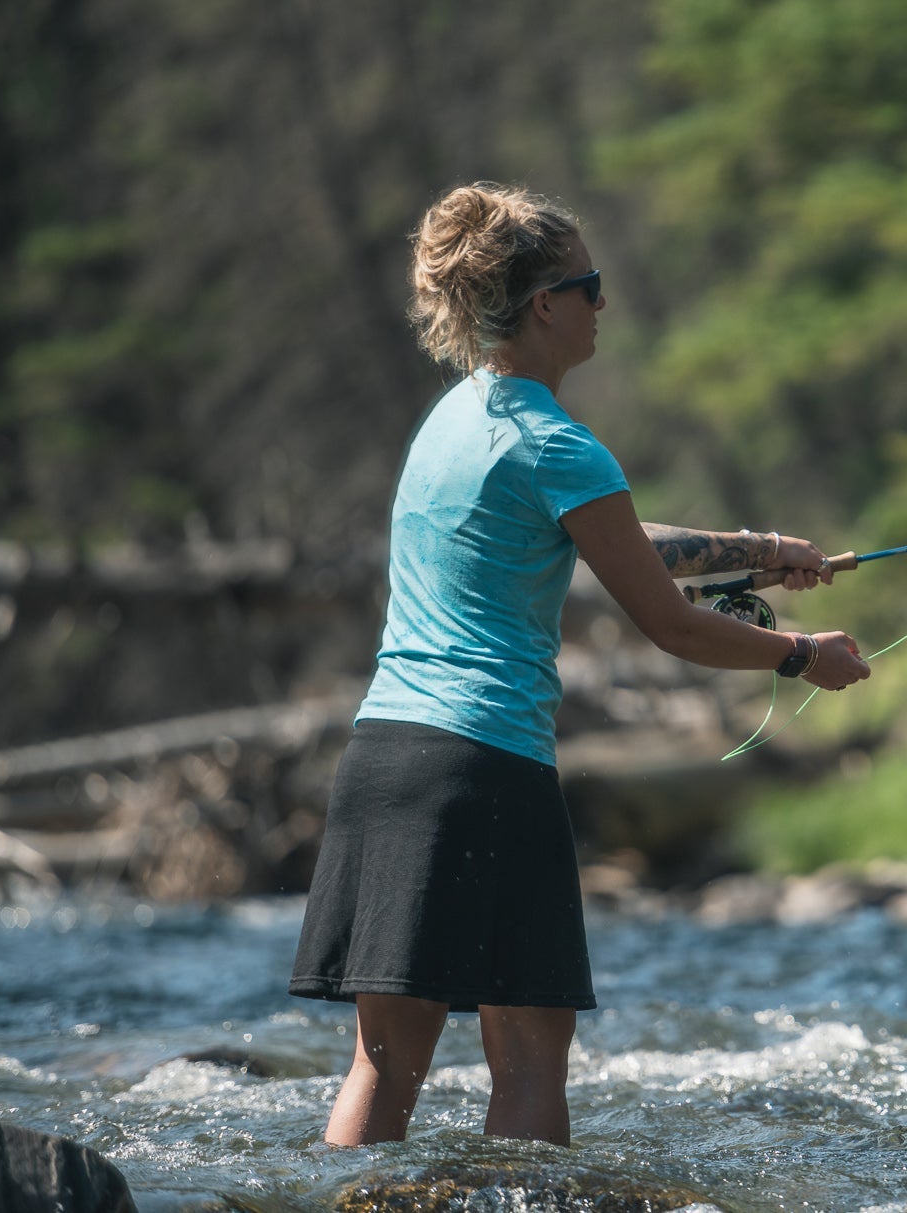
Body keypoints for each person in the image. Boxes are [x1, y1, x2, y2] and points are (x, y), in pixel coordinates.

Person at [288, 182, 869, 1147]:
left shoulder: (456, 420)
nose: (604, 302)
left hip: (383, 762)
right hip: (483, 771)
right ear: (544, 305)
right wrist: (799, 654)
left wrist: (757, 548)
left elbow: (617, 538)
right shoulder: (558, 440)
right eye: (589, 285)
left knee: (382, 1065)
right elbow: (669, 623)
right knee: (526, 1062)